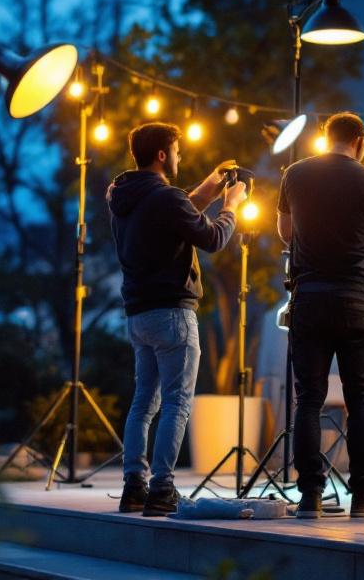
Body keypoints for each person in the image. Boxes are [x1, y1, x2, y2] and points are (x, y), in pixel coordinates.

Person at [107, 122, 247, 516]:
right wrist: (231, 205)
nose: (182, 157)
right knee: (176, 403)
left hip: (139, 314)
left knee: (142, 404)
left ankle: (133, 486)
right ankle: (162, 489)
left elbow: (176, 209)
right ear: (164, 155)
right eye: (179, 151)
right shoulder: (165, 199)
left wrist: (212, 183)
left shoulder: (124, 196)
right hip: (173, 313)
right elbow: (214, 239)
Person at [278, 112, 364, 518]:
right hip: (356, 301)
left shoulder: (295, 174)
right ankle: (363, 497)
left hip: (308, 298)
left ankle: (310, 496)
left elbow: (284, 232)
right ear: (360, 141)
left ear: (325, 138)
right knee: (360, 399)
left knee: (307, 401)